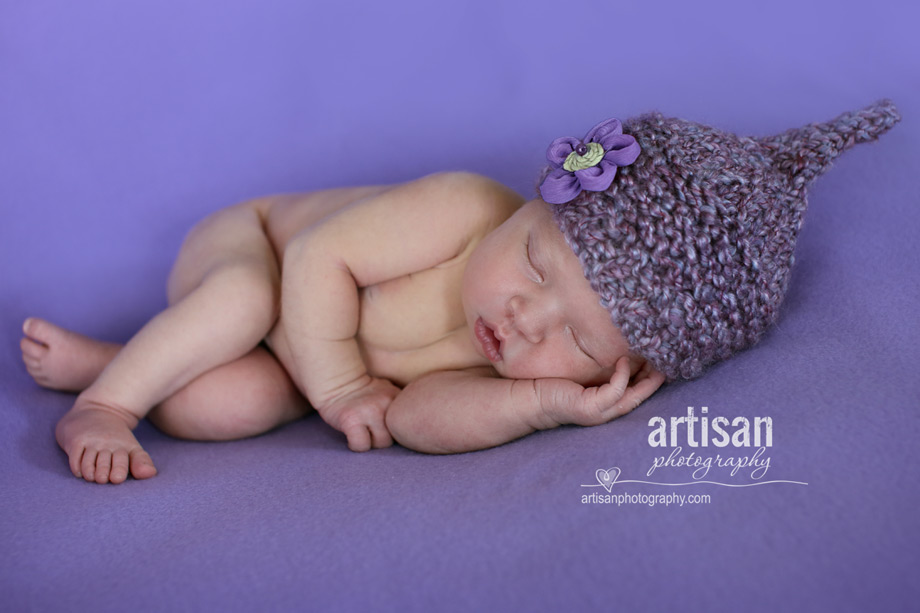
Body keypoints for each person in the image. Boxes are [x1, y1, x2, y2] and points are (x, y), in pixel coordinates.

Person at [20, 100, 899, 484]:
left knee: (234, 402)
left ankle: (131, 355)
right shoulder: (462, 208)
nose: (522, 319)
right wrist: (338, 389)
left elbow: (408, 419)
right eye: (537, 265)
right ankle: (104, 400)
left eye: (580, 343)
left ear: (626, 366)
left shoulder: (508, 365)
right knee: (243, 305)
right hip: (255, 252)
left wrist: (544, 406)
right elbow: (321, 256)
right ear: (533, 199)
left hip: (298, 364)